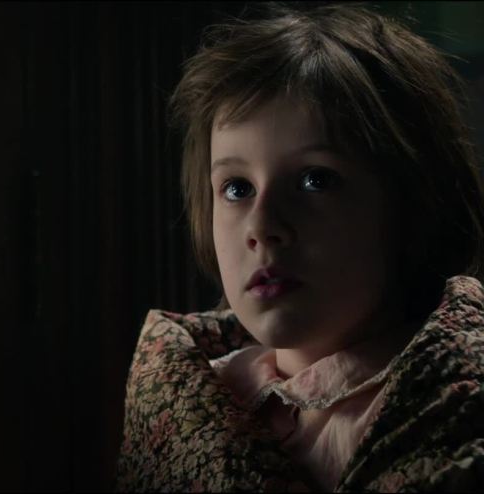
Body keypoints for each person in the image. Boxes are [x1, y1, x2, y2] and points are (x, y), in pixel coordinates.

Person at [116, 2, 484, 492]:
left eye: (315, 179)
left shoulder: (458, 402)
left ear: (414, 203)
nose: (262, 226)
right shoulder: (189, 393)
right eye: (236, 188)